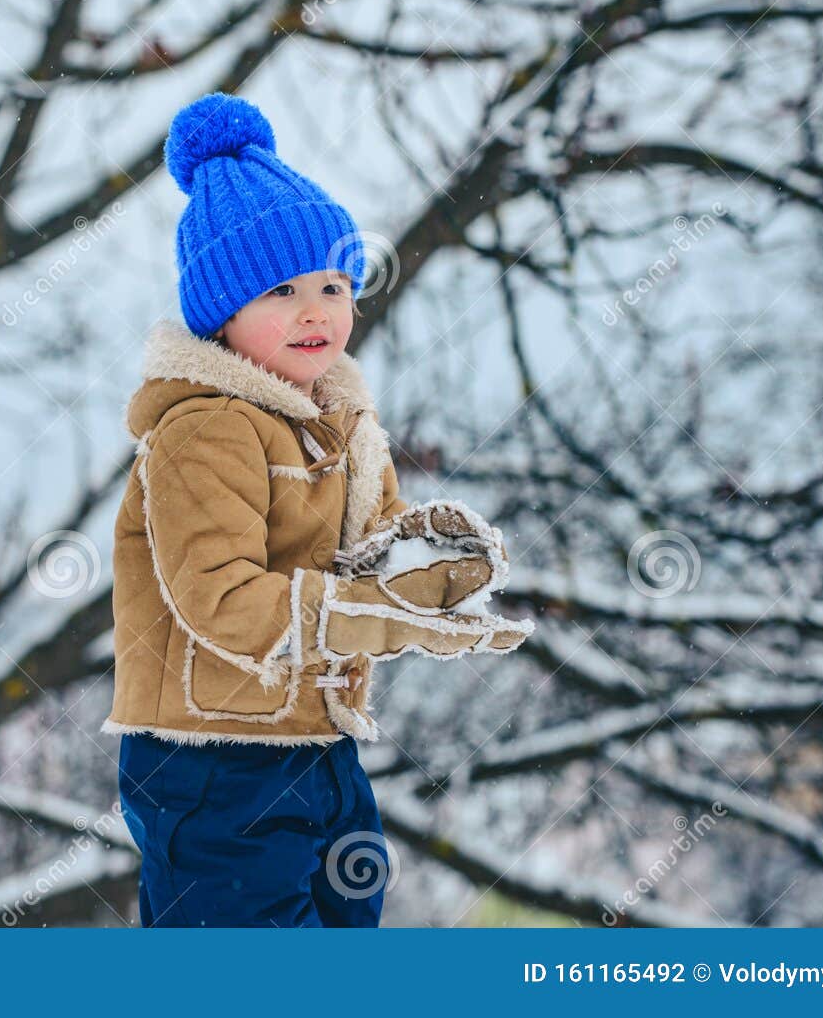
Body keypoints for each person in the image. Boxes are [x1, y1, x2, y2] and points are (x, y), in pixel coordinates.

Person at [103, 92, 533, 927]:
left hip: (318, 741)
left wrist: (433, 567)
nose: (315, 309)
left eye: (333, 284)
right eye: (280, 290)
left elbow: (373, 551)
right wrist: (378, 614)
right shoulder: (206, 427)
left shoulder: (337, 424)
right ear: (221, 311)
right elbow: (221, 602)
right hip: (212, 755)